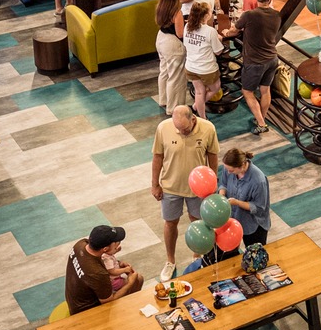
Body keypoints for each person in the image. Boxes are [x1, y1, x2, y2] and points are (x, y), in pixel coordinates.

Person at [152, 105, 220, 282]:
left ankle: (197, 257)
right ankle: (170, 261)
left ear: (193, 119)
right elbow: (158, 156)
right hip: (170, 187)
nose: (182, 132)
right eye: (178, 129)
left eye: (185, 129)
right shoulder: (163, 128)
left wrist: (212, 181)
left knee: (198, 222)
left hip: (198, 189)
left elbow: (212, 155)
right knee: (170, 223)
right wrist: (155, 184)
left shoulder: (208, 128)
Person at [224, 0, 281, 135]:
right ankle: (261, 118)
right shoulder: (277, 15)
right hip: (272, 59)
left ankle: (261, 124)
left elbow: (234, 30)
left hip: (255, 62)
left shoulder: (249, 15)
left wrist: (226, 32)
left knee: (247, 91)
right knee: (265, 90)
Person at [64, 225, 143, 314]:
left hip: (74, 299)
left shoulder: (80, 244)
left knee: (138, 279)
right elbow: (109, 301)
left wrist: (118, 263)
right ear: (105, 249)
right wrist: (130, 283)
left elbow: (101, 260)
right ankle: (129, 313)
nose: (118, 243)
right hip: (86, 310)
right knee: (137, 280)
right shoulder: (98, 273)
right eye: (115, 242)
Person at [217, 148, 271, 250]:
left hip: (253, 225)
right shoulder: (228, 168)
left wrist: (237, 202)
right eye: (226, 169)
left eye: (231, 170)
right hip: (233, 218)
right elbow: (223, 184)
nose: (228, 172)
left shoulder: (258, 181)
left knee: (254, 254)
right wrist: (222, 194)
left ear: (242, 166)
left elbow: (259, 207)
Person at [183, 2, 224, 119]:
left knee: (199, 92)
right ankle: (196, 107)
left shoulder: (187, 26)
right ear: (206, 15)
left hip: (191, 66)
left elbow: (186, 44)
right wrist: (219, 39)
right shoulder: (210, 31)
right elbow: (218, 51)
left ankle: (201, 116)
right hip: (207, 68)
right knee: (215, 87)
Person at [155, 0, 188, 116]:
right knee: (176, 76)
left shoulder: (160, 7)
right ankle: (174, 107)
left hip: (161, 39)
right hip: (173, 45)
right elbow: (180, 34)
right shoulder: (177, 12)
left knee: (164, 71)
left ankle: (163, 100)